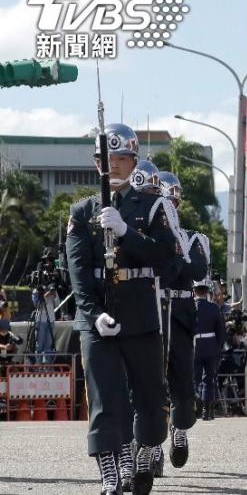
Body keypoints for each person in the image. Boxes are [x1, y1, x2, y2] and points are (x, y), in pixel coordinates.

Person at [66, 123, 177, 495]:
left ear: (134, 161)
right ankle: (111, 471)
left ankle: (144, 449)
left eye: (121, 158)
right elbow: (78, 270)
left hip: (140, 315)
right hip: (98, 316)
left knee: (149, 398)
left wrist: (127, 231)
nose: (113, 165)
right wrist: (93, 312)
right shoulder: (82, 211)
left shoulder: (153, 205)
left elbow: (167, 259)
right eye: (105, 158)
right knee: (104, 398)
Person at [154, 171, 209, 471]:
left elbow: (198, 269)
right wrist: (180, 263)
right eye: (166, 199)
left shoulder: (192, 237)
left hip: (182, 316)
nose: (172, 204)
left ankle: (180, 429)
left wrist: (177, 263)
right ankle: (150, 447)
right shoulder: (149, 237)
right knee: (150, 383)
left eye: (175, 199)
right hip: (155, 311)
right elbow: (167, 270)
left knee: (182, 382)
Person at [193, 278, 225, 421]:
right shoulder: (214, 308)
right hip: (211, 346)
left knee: (194, 379)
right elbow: (221, 332)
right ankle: (207, 411)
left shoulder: (190, 307)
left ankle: (194, 409)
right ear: (207, 291)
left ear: (194, 291)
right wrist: (218, 348)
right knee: (208, 380)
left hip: (194, 346)